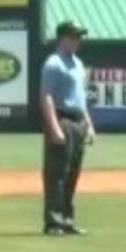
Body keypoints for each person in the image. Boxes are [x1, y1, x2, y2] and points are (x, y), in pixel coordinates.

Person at [41, 20, 96, 236]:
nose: (78, 41)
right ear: (62, 38)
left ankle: (67, 220)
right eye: (74, 36)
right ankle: (53, 222)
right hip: (62, 118)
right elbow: (46, 97)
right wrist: (54, 128)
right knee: (57, 173)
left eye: (79, 36)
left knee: (72, 173)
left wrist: (89, 125)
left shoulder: (78, 63)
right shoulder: (53, 63)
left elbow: (80, 99)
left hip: (78, 120)